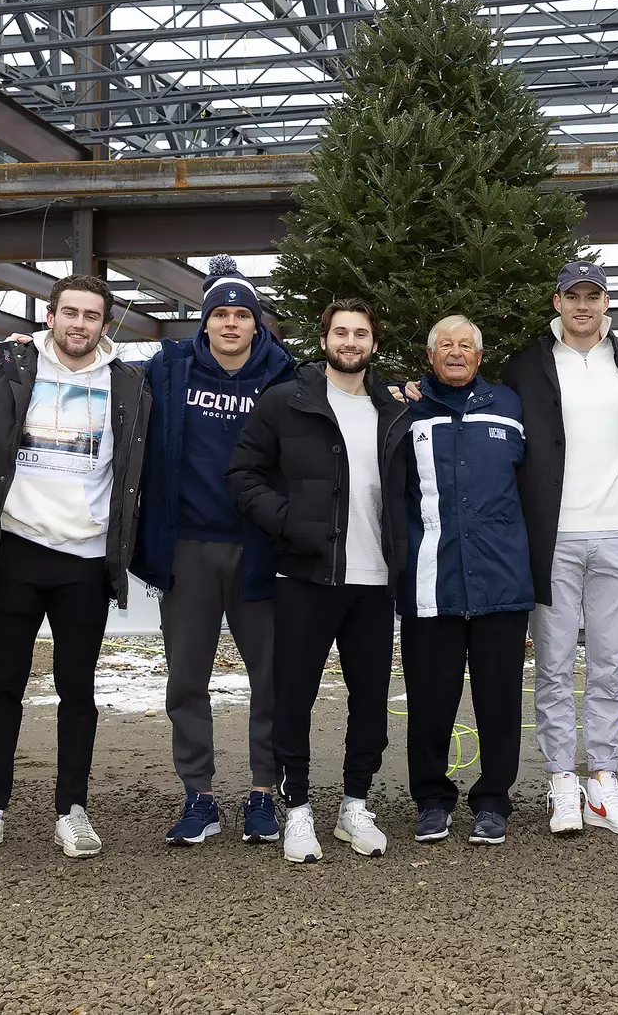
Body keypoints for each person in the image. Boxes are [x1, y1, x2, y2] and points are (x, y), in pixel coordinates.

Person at [0, 274, 150, 861]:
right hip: (14, 550)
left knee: (77, 690)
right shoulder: (3, 365)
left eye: (91, 315)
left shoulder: (128, 383)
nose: (79, 324)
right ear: (51, 316)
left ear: (104, 324)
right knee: (2, 685)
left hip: (85, 559)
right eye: (70, 313)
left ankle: (72, 809)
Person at [227, 298, 410, 862]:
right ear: (325, 339)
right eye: (340, 332)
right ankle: (299, 810)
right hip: (305, 574)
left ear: (373, 343)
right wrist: (287, 523)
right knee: (295, 697)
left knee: (371, 699)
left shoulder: (395, 408)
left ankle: (355, 805)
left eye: (360, 333)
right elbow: (243, 472)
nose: (350, 342)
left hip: (374, 581)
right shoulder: (288, 401)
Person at [132, 256, 297, 847]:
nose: (230, 324)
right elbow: (102, 371)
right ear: (204, 323)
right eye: (220, 315)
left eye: (241, 315)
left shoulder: (286, 378)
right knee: (187, 678)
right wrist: (25, 347)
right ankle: (198, 794)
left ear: (258, 323)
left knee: (270, 679)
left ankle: (262, 792)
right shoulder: (169, 371)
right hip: (188, 548)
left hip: (260, 551)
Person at [503, 261, 618, 837]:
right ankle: (560, 783)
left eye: (593, 297)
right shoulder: (527, 365)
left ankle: (603, 780)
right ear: (557, 303)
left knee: (608, 667)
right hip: (553, 537)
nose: (582, 306)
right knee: (551, 667)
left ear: (607, 305)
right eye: (572, 296)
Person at [399, 316, 532, 847]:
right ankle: (432, 799)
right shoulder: (403, 409)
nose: (456, 353)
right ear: (430, 357)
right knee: (430, 699)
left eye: (466, 346)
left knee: (500, 700)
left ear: (480, 356)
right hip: (430, 579)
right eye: (445, 346)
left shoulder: (510, 405)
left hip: (501, 580)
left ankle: (494, 801)